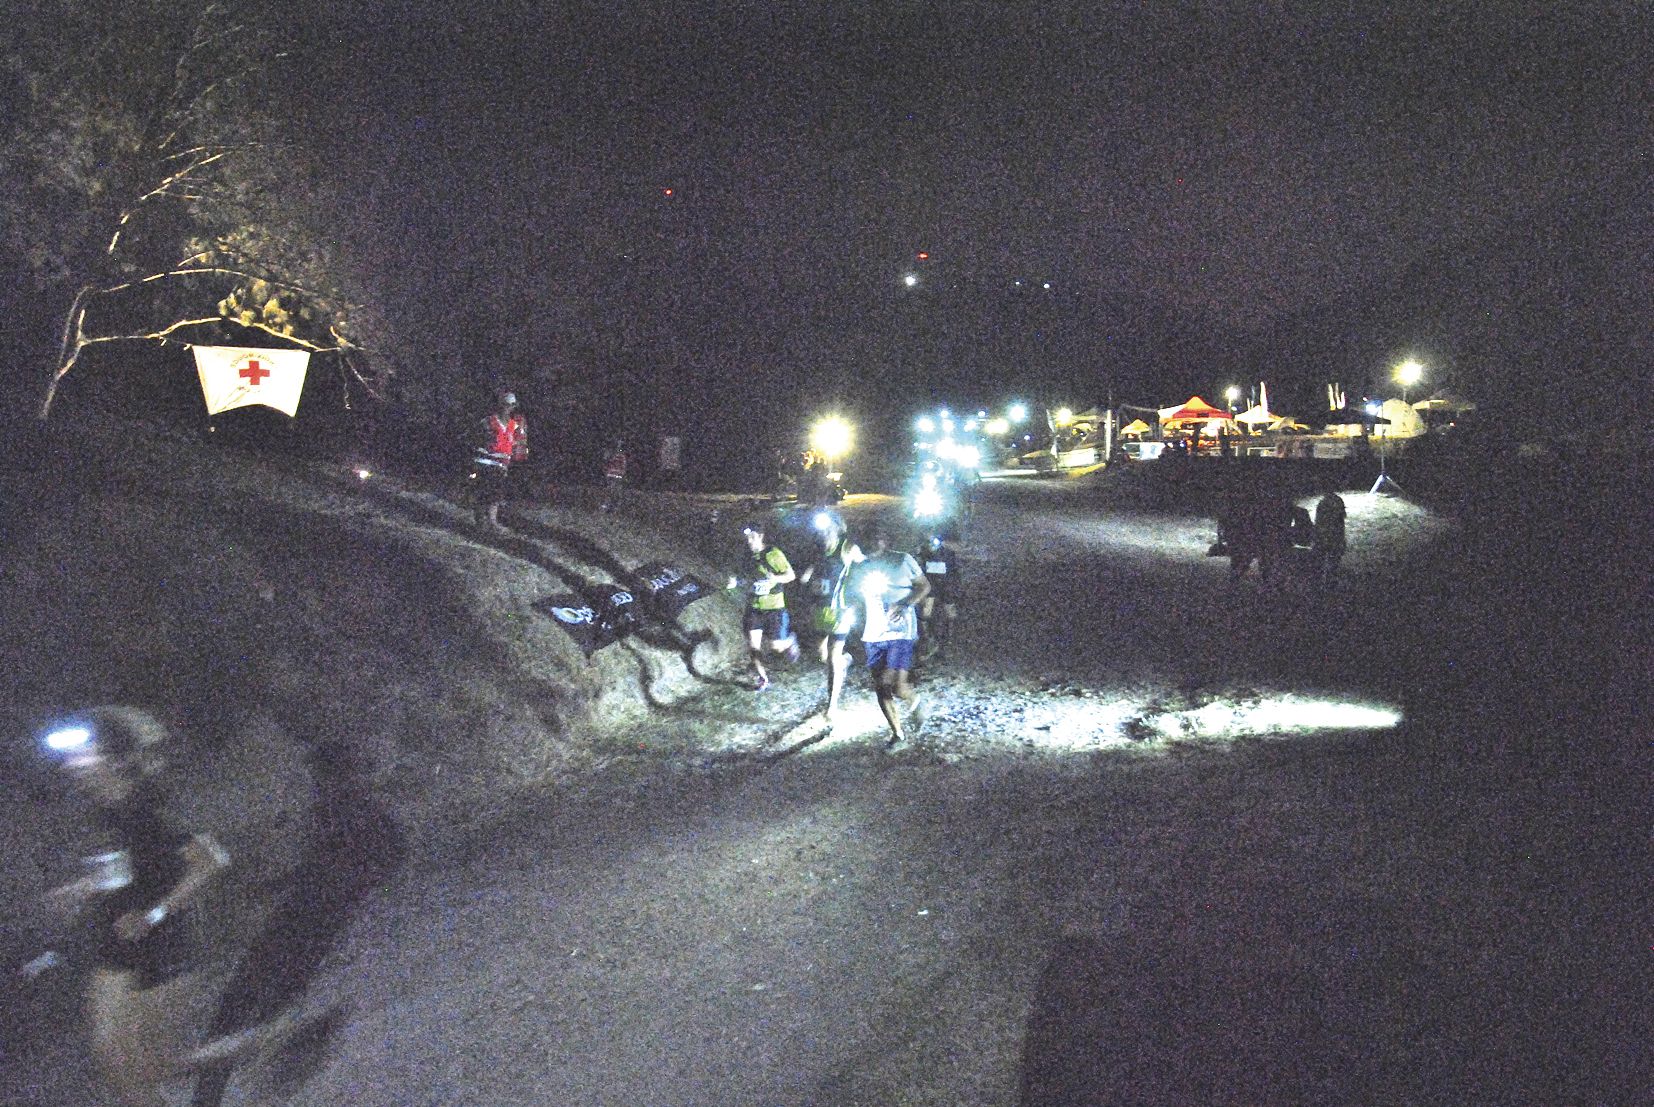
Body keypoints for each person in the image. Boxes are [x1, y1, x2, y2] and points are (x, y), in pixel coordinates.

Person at [39, 707, 230, 1107]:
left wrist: (154, 914)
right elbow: (123, 871)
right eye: (70, 756)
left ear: (118, 757)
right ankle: (264, 1039)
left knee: (154, 1067)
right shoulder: (106, 810)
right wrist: (81, 888)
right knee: (113, 1059)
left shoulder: (153, 808)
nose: (73, 764)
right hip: (115, 944)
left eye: (85, 753)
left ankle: (265, 1039)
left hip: (161, 944)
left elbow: (212, 862)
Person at [850, 522, 930, 746]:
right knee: (881, 686)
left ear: (885, 540)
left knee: (896, 685)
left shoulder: (902, 560)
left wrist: (905, 604)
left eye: (877, 537)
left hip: (900, 631)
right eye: (868, 538)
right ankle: (898, 734)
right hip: (874, 633)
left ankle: (915, 701)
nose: (873, 543)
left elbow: (924, 586)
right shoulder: (861, 566)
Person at [798, 510, 864, 722]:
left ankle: (832, 705)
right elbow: (809, 575)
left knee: (832, 659)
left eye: (828, 529)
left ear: (837, 528)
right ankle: (845, 661)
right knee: (822, 655)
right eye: (822, 531)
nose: (824, 533)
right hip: (820, 611)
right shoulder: (817, 552)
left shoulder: (847, 548)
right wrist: (806, 576)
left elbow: (866, 565)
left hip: (841, 611)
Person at [732, 518, 799, 691]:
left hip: (774, 608)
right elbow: (748, 579)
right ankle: (763, 679)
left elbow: (791, 575)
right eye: (747, 538)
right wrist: (736, 582)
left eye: (753, 537)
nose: (749, 541)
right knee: (753, 647)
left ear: (761, 536)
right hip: (754, 608)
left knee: (776, 647)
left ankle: (790, 642)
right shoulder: (746, 556)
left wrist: (775, 579)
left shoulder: (773, 554)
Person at [471, 390, 528, 530]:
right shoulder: (488, 421)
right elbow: (477, 438)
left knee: (496, 493)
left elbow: (518, 443)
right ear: (500, 405)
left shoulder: (514, 424)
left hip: (501, 463)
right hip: (485, 461)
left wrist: (519, 444)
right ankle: (480, 520)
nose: (508, 408)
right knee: (483, 490)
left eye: (511, 405)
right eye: (506, 405)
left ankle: (492, 521)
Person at [915, 531, 960, 664]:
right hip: (930, 584)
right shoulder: (922, 551)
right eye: (928, 541)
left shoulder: (946, 549)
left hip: (947, 584)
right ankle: (929, 642)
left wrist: (942, 543)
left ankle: (948, 645)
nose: (931, 544)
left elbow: (960, 549)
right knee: (924, 613)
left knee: (950, 613)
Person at [1314, 491, 1348, 586]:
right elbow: (1342, 520)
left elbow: (1318, 523)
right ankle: (1331, 584)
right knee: (1333, 566)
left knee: (1319, 566)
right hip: (1335, 538)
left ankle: (1320, 585)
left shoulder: (1322, 504)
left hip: (1324, 537)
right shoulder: (1338, 501)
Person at [600, 438, 628, 512]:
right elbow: (607, 463)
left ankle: (610, 506)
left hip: (614, 475)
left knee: (612, 491)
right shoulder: (614, 455)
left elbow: (622, 466)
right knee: (612, 491)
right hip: (613, 475)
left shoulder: (617, 456)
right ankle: (609, 506)